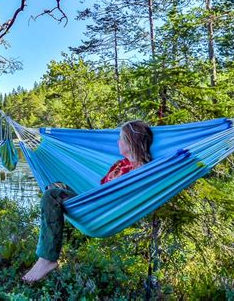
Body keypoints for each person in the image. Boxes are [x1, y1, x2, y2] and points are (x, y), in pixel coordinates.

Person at [22, 120, 154, 283]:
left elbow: (124, 194)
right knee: (54, 187)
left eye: (121, 138)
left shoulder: (141, 170)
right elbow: (103, 187)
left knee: (52, 196)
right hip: (93, 204)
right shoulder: (120, 164)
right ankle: (46, 256)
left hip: (104, 211)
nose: (117, 142)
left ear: (131, 141)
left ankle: (47, 259)